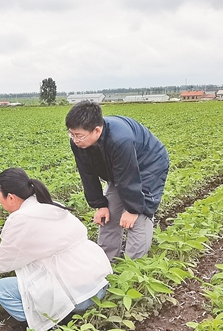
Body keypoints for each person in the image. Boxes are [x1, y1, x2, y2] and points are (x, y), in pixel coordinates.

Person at [0, 168, 112, 331]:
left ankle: (49, 325)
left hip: (76, 298)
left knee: (2, 289)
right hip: (97, 287)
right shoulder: (50, 205)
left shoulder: (20, 219)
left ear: (11, 197)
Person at [65, 101, 169, 261]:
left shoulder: (120, 139)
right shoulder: (78, 142)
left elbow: (128, 179)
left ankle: (134, 268)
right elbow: (87, 174)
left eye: (79, 135)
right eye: (72, 134)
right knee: (109, 214)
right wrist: (100, 204)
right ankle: (105, 263)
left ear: (97, 130)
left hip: (148, 165)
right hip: (119, 169)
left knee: (139, 216)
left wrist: (133, 210)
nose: (75, 139)